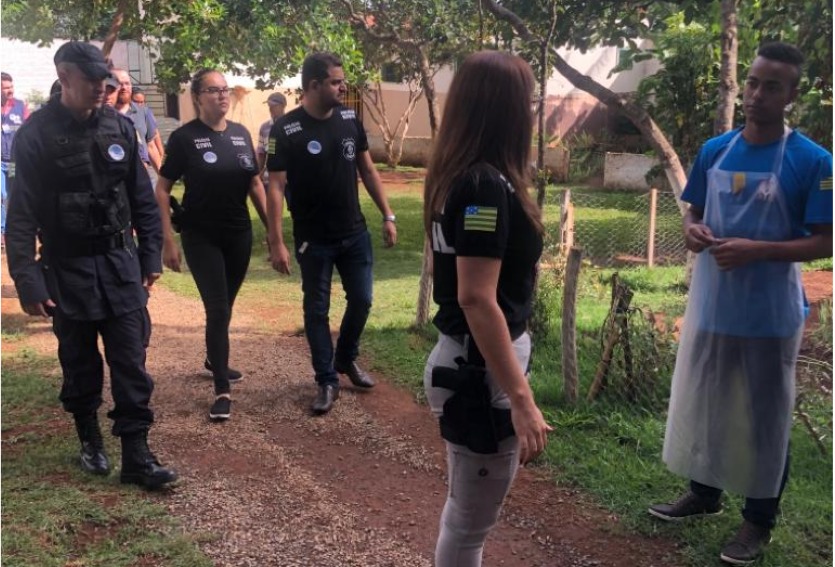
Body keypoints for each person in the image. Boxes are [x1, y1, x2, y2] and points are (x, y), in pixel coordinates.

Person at [649, 42, 832, 565]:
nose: (755, 94)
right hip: (713, 307)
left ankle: (758, 520)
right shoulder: (715, 150)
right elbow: (691, 214)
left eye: (771, 86)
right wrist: (692, 231)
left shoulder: (815, 162)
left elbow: (827, 240)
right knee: (708, 402)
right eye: (752, 82)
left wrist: (760, 250)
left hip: (770, 315)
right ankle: (703, 494)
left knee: (765, 417)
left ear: (792, 94)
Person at [5, 41, 177, 489]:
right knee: (79, 364)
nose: (103, 87)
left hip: (119, 265)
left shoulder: (120, 128)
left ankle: (137, 455)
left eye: (106, 78)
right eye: (91, 80)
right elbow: (21, 215)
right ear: (64, 78)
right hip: (68, 269)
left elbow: (142, 197)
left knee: (131, 360)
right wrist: (27, 279)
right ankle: (90, 440)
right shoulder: (36, 135)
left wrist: (150, 255)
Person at [422, 50, 553, 567]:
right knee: (470, 523)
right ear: (506, 107)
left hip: (475, 361)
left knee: (466, 514)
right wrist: (521, 400)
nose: (535, 106)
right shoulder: (483, 186)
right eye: (530, 96)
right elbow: (475, 296)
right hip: (479, 370)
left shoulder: (467, 176)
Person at [266, 52, 397, 414]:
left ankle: (345, 359)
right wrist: (276, 241)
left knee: (363, 299)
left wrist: (389, 214)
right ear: (314, 85)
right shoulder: (286, 130)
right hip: (314, 238)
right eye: (337, 81)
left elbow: (368, 171)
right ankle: (326, 379)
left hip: (354, 233)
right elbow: (275, 187)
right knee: (317, 309)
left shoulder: (349, 119)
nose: (343, 86)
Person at [155, 69, 269, 421]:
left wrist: (275, 235)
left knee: (226, 305)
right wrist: (167, 241)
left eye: (225, 91)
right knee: (218, 309)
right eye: (213, 90)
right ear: (197, 97)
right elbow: (162, 188)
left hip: (238, 235)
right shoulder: (184, 138)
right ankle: (222, 387)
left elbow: (254, 185)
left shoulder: (240, 134)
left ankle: (212, 356)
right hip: (200, 235)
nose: (222, 96)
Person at [111, 69, 162, 188]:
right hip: (116, 180)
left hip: (144, 176)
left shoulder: (143, 112)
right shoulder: (104, 114)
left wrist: (163, 178)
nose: (124, 87)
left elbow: (151, 146)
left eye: (127, 83)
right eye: (119, 83)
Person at [2, 72, 30, 244]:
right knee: (1, 194)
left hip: (14, 162)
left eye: (11, 86)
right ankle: (3, 232)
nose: (10, 90)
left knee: (12, 194)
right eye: (5, 88)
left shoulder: (20, 106)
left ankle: (16, 228)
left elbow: (29, 129)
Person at [257, 92, 287, 183]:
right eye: (269, 106)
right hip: (269, 179)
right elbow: (261, 154)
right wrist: (258, 175)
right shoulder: (265, 127)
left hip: (289, 179)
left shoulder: (292, 125)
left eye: (273, 106)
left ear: (283, 106)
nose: (270, 109)